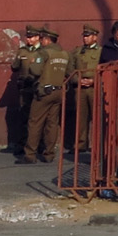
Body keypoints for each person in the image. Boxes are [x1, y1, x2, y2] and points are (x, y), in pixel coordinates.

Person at [24, 29, 71, 164]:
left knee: (35, 122)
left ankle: (30, 154)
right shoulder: (65, 54)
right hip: (59, 92)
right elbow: (69, 73)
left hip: (44, 92)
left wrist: (33, 62)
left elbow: (35, 70)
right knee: (52, 123)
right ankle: (49, 154)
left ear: (47, 40)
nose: (41, 41)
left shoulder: (44, 53)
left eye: (43, 39)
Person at [7, 27, 42, 160]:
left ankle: (38, 145)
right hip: (24, 89)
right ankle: (22, 144)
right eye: (27, 37)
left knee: (37, 118)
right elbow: (15, 66)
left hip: (37, 88)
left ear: (38, 37)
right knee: (23, 117)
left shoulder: (42, 52)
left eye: (32, 37)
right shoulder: (22, 51)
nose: (29, 39)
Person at [70, 25, 103, 152]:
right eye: (84, 36)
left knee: (97, 117)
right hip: (80, 87)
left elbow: (104, 69)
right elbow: (70, 68)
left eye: (88, 36)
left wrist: (94, 81)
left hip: (94, 87)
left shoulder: (101, 51)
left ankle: (98, 145)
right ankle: (80, 144)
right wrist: (77, 80)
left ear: (95, 37)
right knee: (80, 117)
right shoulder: (77, 51)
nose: (85, 38)